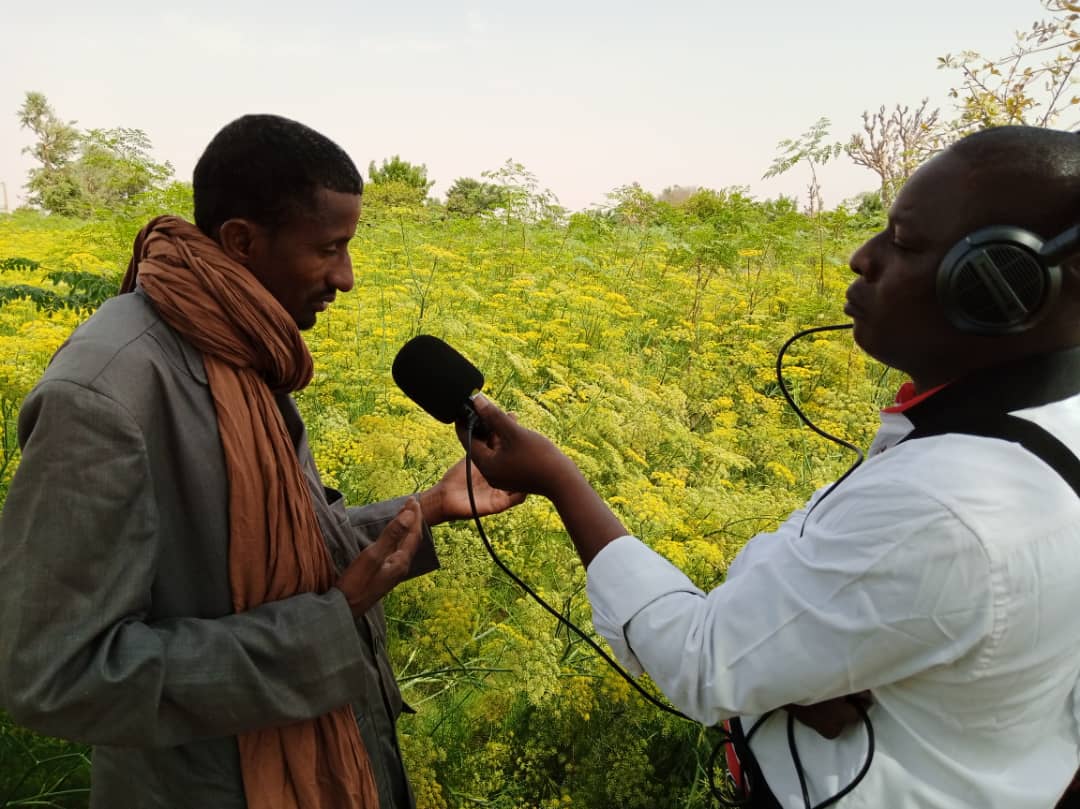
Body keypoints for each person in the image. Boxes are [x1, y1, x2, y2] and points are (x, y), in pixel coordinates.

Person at [454, 125, 1080, 809]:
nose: (860, 256)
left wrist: (560, 478)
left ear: (1004, 285)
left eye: (903, 243)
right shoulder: (1019, 433)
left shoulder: (948, 504)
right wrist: (809, 656)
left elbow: (703, 658)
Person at [0, 114, 522, 809]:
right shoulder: (105, 394)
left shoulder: (237, 346)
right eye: (329, 248)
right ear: (241, 241)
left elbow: (270, 562)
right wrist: (330, 625)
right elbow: (55, 673)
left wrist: (430, 506)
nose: (348, 277)